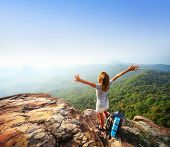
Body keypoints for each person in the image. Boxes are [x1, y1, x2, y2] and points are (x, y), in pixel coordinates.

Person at [74, 64, 139, 131]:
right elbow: (117, 76)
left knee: (101, 116)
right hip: (105, 102)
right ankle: (108, 118)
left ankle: (101, 127)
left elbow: (89, 83)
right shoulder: (109, 83)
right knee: (105, 110)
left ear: (100, 80)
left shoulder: (98, 86)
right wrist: (128, 69)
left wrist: (80, 80)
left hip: (100, 104)